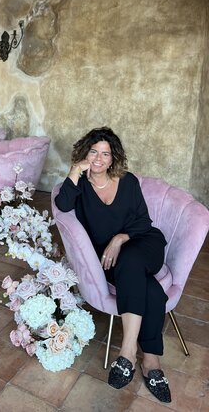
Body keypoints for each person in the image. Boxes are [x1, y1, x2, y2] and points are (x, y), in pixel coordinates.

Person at [55, 127, 171, 403]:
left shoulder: (128, 181)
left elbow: (143, 222)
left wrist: (120, 238)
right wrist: (75, 170)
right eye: (93, 151)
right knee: (151, 290)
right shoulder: (80, 186)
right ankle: (151, 361)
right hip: (114, 260)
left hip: (143, 244)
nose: (99, 158)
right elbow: (61, 203)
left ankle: (128, 353)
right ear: (84, 154)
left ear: (113, 157)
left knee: (131, 259)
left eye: (105, 153)